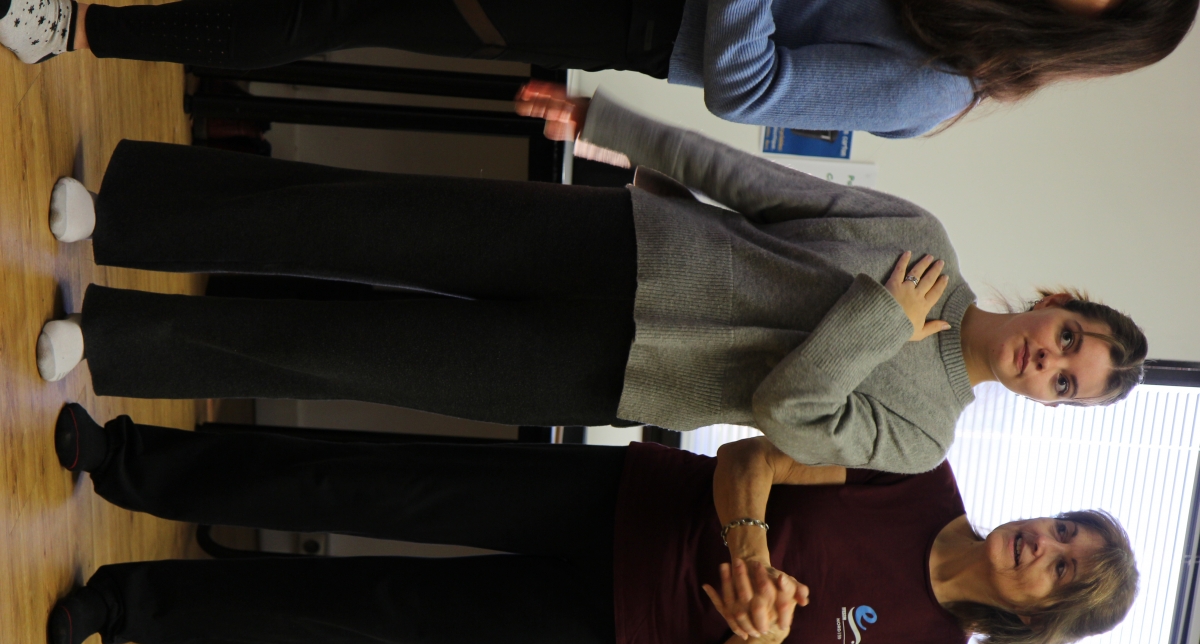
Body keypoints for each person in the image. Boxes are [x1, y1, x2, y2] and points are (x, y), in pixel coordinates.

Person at [35, 91, 1147, 474]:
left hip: (608, 374)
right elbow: (755, 185)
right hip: (622, 243)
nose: (1048, 360)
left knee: (344, 354)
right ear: (1058, 301)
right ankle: (126, 212)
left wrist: (878, 320)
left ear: (1050, 402)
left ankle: (112, 337)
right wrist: (610, 123)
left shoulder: (924, 437)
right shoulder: (923, 237)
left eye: (1067, 381)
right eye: (1069, 340)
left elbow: (785, 412)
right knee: (365, 217)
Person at [48, 404, 1139, 644]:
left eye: (1061, 566)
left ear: (1041, 614)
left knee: (370, 604)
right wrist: (751, 543)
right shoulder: (922, 472)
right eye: (1062, 528)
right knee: (361, 482)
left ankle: (125, 607)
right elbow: (750, 460)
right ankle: (128, 460)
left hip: (615, 628)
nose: (1043, 543)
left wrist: (756, 632)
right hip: (615, 500)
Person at [0, 0, 1195, 136]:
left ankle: (79, 32)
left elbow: (749, 86)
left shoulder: (940, 86)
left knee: (344, 6)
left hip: (625, 16)